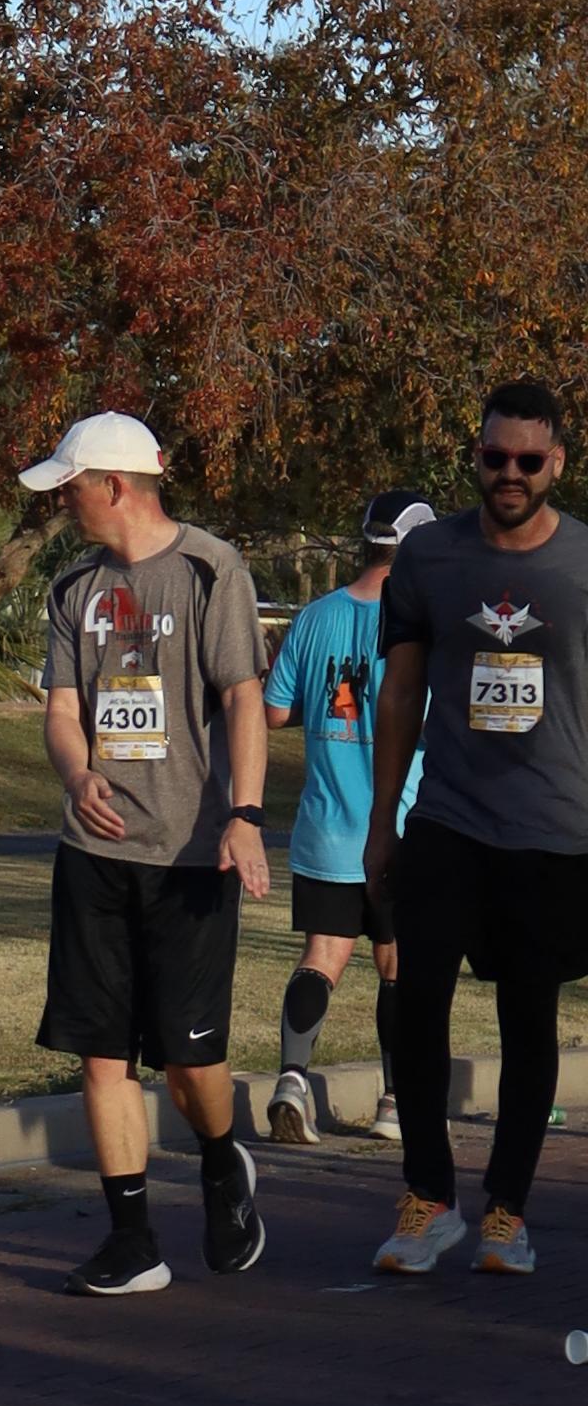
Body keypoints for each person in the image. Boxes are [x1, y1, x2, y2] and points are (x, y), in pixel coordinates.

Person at [25, 412, 273, 1295]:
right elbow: (62, 709)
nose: (64, 503)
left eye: (71, 488)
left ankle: (221, 1160)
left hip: (190, 856)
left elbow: (243, 697)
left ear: (115, 486)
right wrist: (77, 772)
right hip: (93, 852)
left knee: (188, 1064)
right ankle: (132, 1241)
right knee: (101, 1053)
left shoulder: (211, 568)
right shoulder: (73, 588)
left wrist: (244, 815)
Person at [367, 378, 588, 1279]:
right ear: (476, 457)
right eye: (496, 456)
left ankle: (507, 1211)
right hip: (448, 818)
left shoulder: (584, 562)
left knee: (527, 1017)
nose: (511, 473)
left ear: (557, 463)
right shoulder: (430, 557)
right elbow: (399, 693)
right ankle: (428, 1199)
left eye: (529, 460)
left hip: (554, 830)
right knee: (414, 1002)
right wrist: (381, 823)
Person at [262, 491, 435, 1147]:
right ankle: (394, 1101)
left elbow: (275, 710)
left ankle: (291, 1080)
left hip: (326, 828)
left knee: (322, 957)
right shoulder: (422, 626)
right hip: (401, 827)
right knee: (397, 964)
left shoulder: (315, 616)